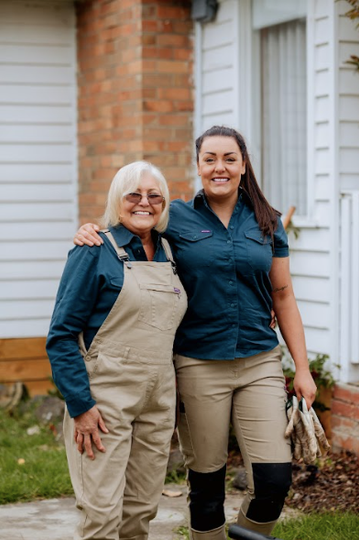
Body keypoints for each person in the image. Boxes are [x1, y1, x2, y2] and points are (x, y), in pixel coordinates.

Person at [74, 126, 317, 540]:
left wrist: (303, 368)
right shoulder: (175, 218)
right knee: (207, 486)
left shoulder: (267, 221)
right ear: (199, 166)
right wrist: (90, 231)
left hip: (260, 360)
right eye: (210, 159)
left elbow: (283, 294)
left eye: (229, 158)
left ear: (243, 165)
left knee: (274, 481)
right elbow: (135, 231)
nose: (219, 167)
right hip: (198, 363)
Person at [46, 161, 188, 540]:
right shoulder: (93, 250)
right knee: (102, 514)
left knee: (141, 512)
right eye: (134, 195)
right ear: (117, 200)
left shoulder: (171, 252)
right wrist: (80, 406)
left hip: (157, 402)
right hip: (103, 403)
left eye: (154, 195)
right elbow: (61, 336)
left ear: (164, 204)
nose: (145, 202)